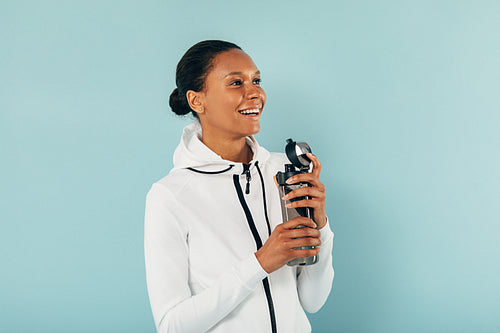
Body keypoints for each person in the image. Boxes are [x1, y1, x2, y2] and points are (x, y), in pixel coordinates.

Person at [144, 40, 334, 333]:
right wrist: (259, 264)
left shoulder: (285, 172)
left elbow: (313, 300)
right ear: (197, 101)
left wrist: (320, 226)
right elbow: (172, 325)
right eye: (236, 82)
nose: (255, 92)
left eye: (256, 80)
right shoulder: (170, 195)